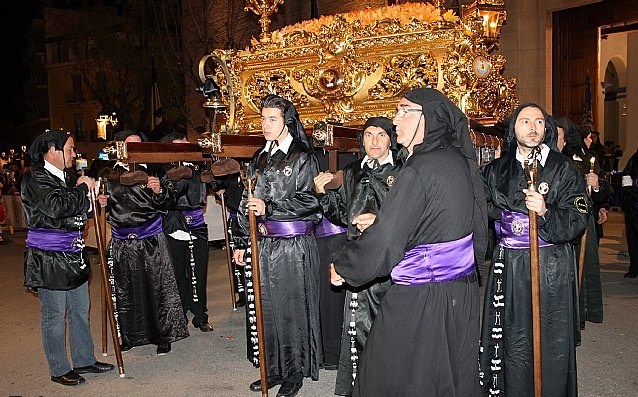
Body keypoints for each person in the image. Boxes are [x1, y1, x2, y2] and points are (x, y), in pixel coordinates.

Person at [331, 88, 487, 397]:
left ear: (427, 118)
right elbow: (442, 220)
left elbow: (387, 241)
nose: (395, 119)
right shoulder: (455, 159)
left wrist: (346, 266)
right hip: (460, 289)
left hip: (422, 294)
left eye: (404, 112)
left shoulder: (418, 168)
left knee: (390, 372)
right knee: (445, 374)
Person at [480, 104, 589, 396]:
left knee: (549, 339)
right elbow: (478, 204)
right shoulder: (496, 169)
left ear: (546, 129)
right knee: (512, 337)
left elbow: (579, 215)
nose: (533, 127)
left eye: (539, 122)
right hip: (510, 266)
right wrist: (504, 216)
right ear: (514, 129)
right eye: (525, 121)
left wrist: (546, 211)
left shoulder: (563, 167)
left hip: (550, 266)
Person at [233, 94, 322, 397]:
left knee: (291, 309)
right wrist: (243, 241)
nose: (265, 125)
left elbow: (311, 202)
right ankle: (271, 369)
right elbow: (246, 204)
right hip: (264, 245)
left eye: (272, 119)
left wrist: (270, 208)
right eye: (262, 119)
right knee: (265, 307)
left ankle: (294, 371)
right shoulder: (258, 158)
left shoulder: (302, 156)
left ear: (287, 122)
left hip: (293, 244)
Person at [314, 116, 401, 396]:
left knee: (388, 325)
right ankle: (360, 386)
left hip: (389, 260)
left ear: (391, 139)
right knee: (358, 325)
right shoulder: (352, 172)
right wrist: (322, 194)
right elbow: (341, 214)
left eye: (381, 135)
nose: (374, 141)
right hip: (356, 255)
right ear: (361, 140)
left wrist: (380, 220)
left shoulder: (402, 172)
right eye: (369, 135)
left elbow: (408, 216)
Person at [22, 130, 114, 386]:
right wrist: (82, 189)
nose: (74, 154)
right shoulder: (35, 178)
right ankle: (59, 367)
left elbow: (76, 209)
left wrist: (93, 201)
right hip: (48, 257)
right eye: (71, 149)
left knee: (80, 310)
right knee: (54, 315)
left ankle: (84, 358)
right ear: (53, 150)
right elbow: (56, 207)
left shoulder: (68, 177)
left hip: (73, 253)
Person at [98, 130, 188, 355]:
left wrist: (159, 191)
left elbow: (169, 201)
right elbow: (101, 205)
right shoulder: (108, 173)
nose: (135, 150)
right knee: (126, 291)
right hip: (121, 241)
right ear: (119, 147)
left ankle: (162, 336)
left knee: (156, 290)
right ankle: (129, 336)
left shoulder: (155, 170)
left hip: (151, 239)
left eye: (139, 145)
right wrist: (99, 202)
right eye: (130, 145)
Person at [556, 117, 609, 326]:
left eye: (560, 136)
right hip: (555, 226)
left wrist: (596, 188)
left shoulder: (582, 160)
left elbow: (602, 189)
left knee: (580, 269)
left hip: (577, 225)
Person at [159, 132, 214, 332]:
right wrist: (178, 176)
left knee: (199, 271)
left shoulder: (199, 165)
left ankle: (201, 315)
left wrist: (215, 175)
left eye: (185, 145)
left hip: (197, 223)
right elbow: (167, 199)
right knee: (178, 273)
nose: (184, 150)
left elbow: (213, 185)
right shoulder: (165, 170)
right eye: (178, 146)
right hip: (175, 224)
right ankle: (179, 314)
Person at [622, 147, 638, 278]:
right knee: (633, 239)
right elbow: (626, 179)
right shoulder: (634, 159)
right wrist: (629, 196)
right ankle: (634, 267)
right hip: (633, 205)